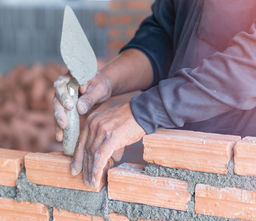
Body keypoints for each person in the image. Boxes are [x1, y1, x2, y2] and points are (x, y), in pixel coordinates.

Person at [53, 0, 256, 188]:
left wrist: (143, 111)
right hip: (178, 159)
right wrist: (106, 80)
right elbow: (164, 37)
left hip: (240, 174)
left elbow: (249, 66)